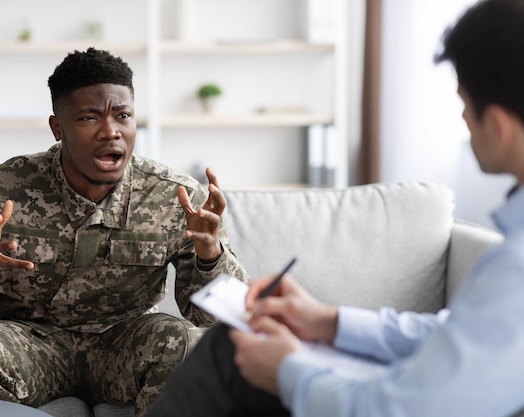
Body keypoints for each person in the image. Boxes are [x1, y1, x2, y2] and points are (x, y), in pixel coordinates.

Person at [143, 0, 524, 416]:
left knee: (228, 350)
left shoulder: (515, 267)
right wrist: (329, 322)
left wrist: (289, 369)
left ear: (499, 126)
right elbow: (454, 333)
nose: (464, 122)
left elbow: (396, 410)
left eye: (465, 106)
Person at [0, 47, 248, 415]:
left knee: (189, 344)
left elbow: (221, 320)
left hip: (123, 345)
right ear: (58, 127)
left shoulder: (176, 196)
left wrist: (210, 256)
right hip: (29, 344)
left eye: (123, 115)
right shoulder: (4, 188)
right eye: (89, 118)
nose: (111, 132)